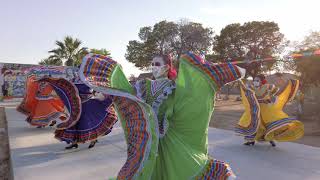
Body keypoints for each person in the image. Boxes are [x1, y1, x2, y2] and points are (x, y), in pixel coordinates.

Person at [78, 52, 246, 179]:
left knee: (180, 169)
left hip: (168, 140)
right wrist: (109, 84)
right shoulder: (142, 85)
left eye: (157, 64)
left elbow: (192, 96)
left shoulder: (174, 87)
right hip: (146, 141)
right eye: (152, 64)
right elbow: (125, 93)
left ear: (167, 67)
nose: (153, 67)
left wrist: (219, 73)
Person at [39, 77, 118, 149]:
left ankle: (93, 139)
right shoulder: (73, 79)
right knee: (75, 124)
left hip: (87, 104)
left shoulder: (89, 79)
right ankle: (74, 143)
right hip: (75, 105)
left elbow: (97, 87)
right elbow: (66, 88)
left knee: (89, 123)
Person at [236, 74, 304, 147]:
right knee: (254, 124)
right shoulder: (251, 88)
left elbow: (277, 93)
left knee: (268, 125)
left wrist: (284, 86)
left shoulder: (268, 87)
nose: (255, 82)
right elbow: (245, 91)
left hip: (267, 110)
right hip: (255, 110)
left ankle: (271, 139)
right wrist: (239, 81)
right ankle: (251, 141)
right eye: (254, 80)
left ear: (262, 81)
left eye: (257, 80)